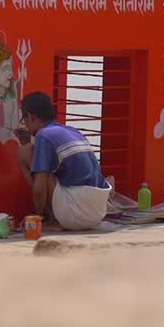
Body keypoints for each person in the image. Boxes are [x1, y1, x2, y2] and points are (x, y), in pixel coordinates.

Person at [16, 91, 111, 230]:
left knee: (26, 152)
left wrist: (38, 218)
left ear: (30, 117)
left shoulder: (43, 135)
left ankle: (48, 219)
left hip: (75, 215)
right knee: (41, 162)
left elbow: (40, 187)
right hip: (98, 212)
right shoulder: (71, 131)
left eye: (23, 119)